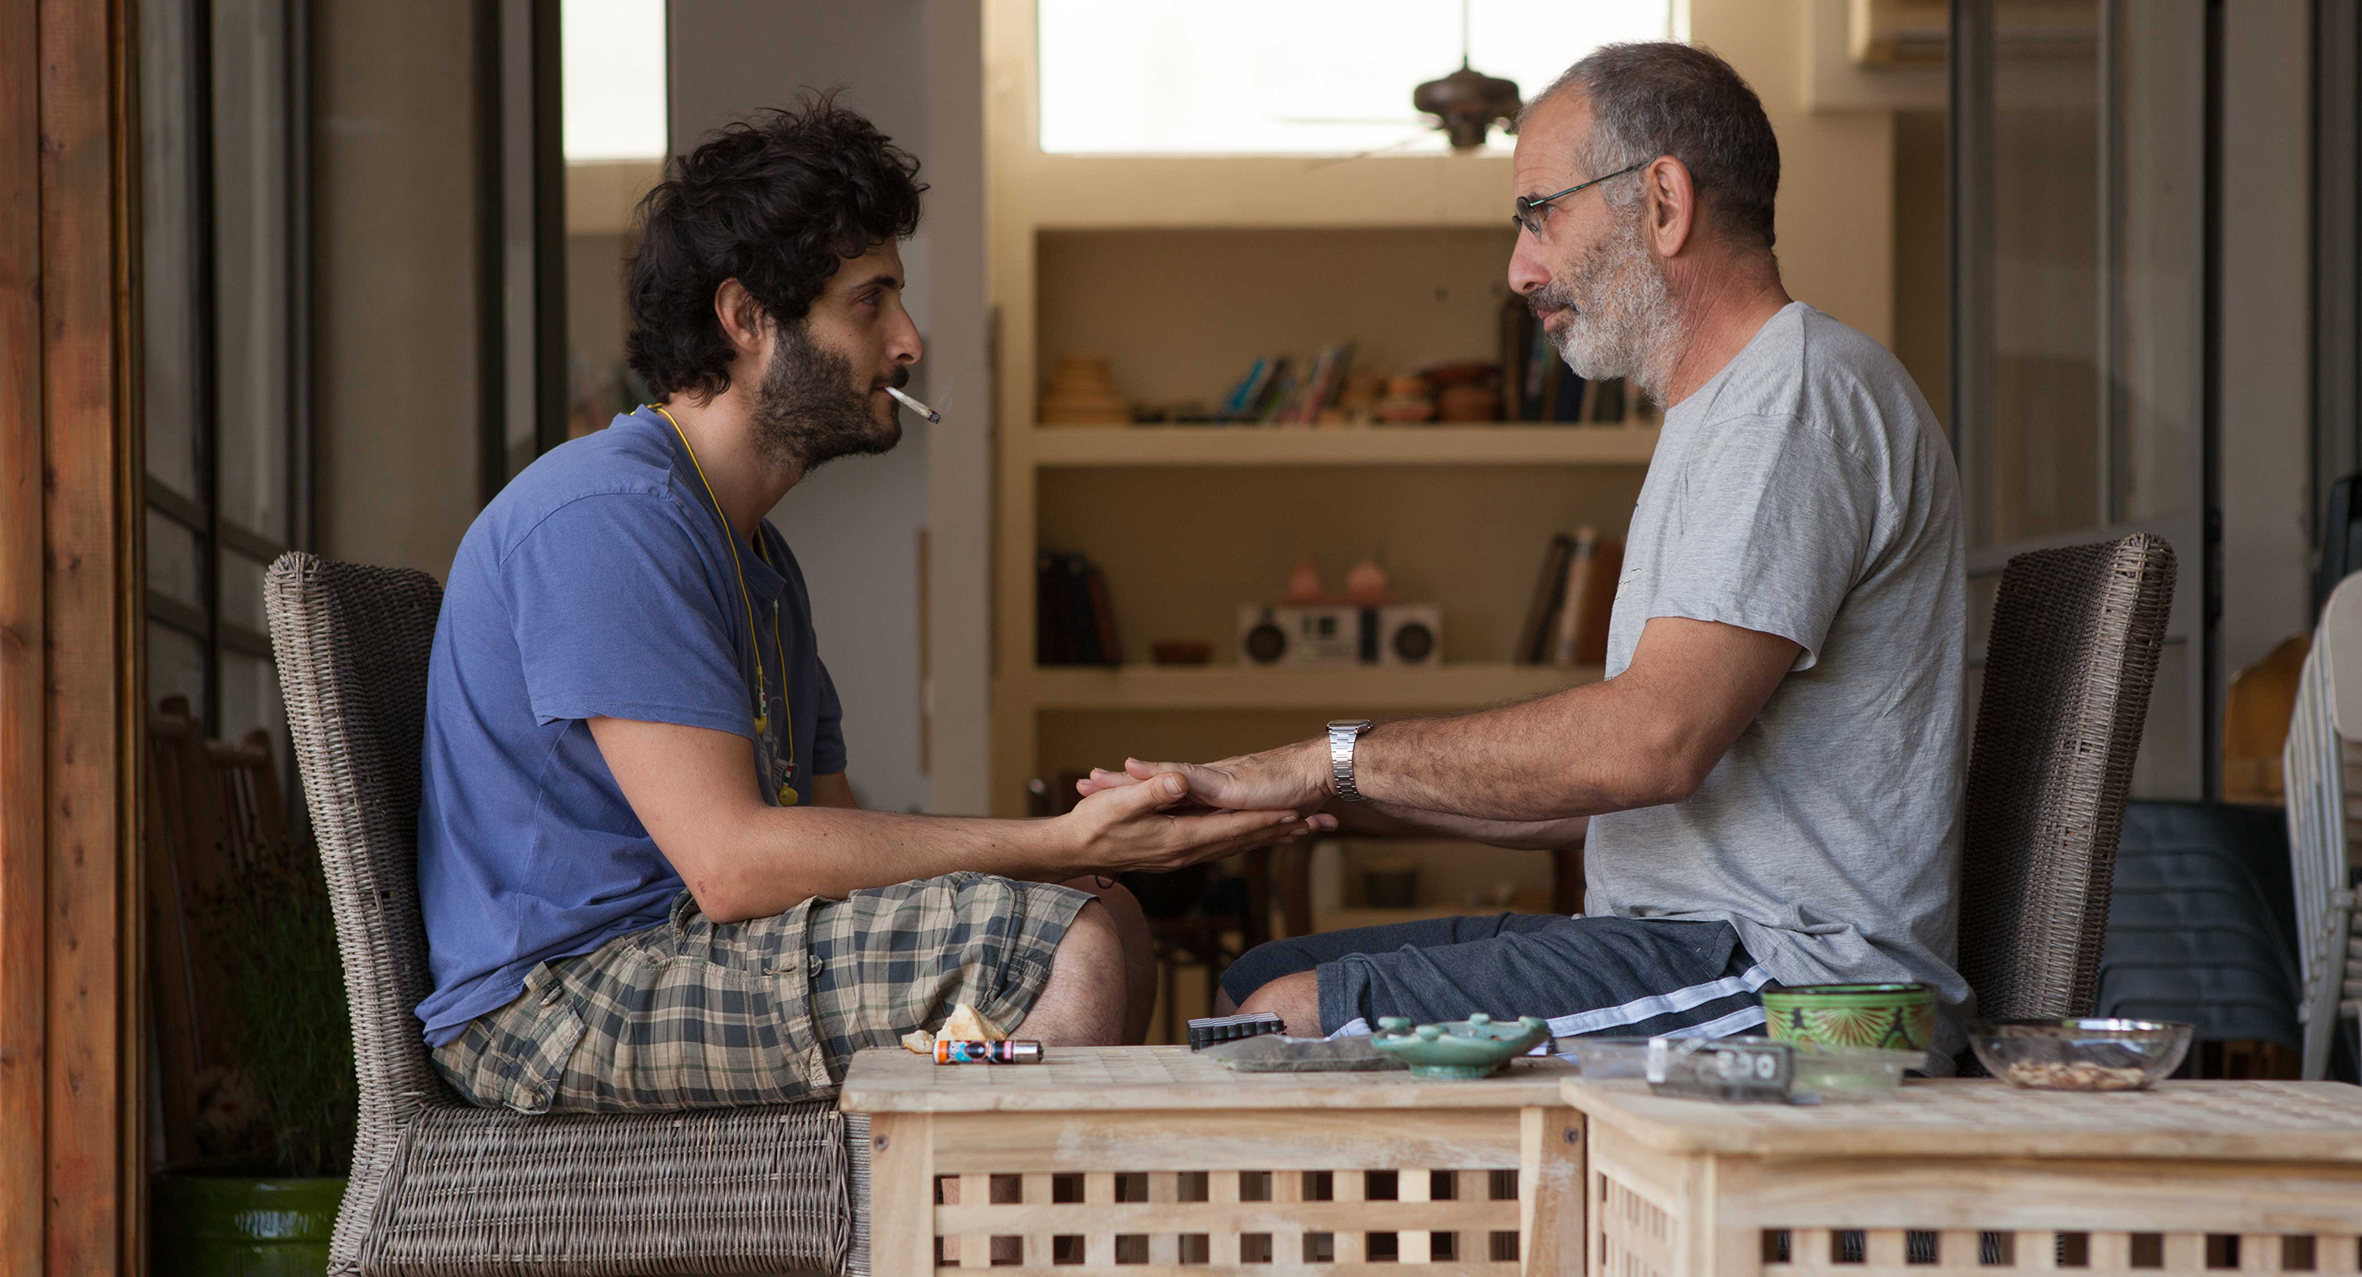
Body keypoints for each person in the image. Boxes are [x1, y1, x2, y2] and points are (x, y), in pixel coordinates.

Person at [415, 95, 1325, 1115]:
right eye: (869, 300)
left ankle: (951, 1195)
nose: (907, 340)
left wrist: (1085, 852)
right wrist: (1054, 840)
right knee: (1056, 937)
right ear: (747, 318)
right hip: (559, 999)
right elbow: (730, 863)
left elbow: (832, 833)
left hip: (680, 955)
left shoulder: (756, 554)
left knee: (1092, 908)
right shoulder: (609, 517)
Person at [1082, 43, 1971, 1060]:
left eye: (1538, 210)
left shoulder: (1794, 399)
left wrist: (1326, 764)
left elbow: (1649, 743)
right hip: (1700, 944)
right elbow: (1606, 790)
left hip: (1804, 987)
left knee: (1279, 1018)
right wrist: (1309, 798)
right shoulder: (1726, 412)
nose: (1518, 269)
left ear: (1663, 202)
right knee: (1255, 979)